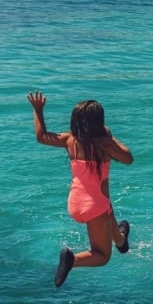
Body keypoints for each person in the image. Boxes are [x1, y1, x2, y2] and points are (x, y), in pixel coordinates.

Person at [27, 91, 134, 287]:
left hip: (75, 203)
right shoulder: (104, 144)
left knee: (109, 212)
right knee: (102, 256)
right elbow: (128, 158)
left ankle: (121, 241)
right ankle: (72, 260)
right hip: (95, 206)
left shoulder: (69, 140)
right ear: (99, 121)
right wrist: (110, 137)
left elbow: (41, 136)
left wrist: (38, 110)